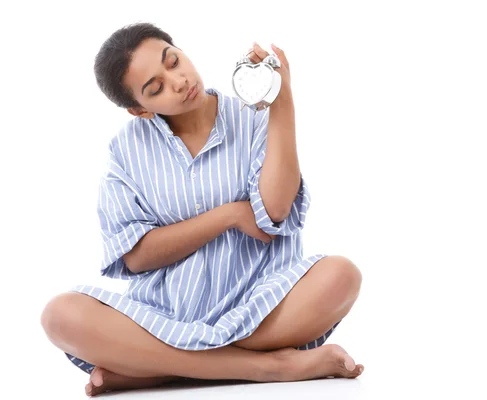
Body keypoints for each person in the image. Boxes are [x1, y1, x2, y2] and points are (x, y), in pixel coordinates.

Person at [40, 22, 364, 397]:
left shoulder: (253, 115)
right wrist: (228, 215)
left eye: (173, 61)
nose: (178, 81)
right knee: (60, 315)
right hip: (163, 316)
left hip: (262, 307)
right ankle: (267, 367)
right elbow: (136, 256)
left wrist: (283, 98)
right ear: (138, 109)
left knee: (341, 276)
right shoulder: (125, 152)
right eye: (155, 88)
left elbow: (275, 209)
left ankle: (158, 368)